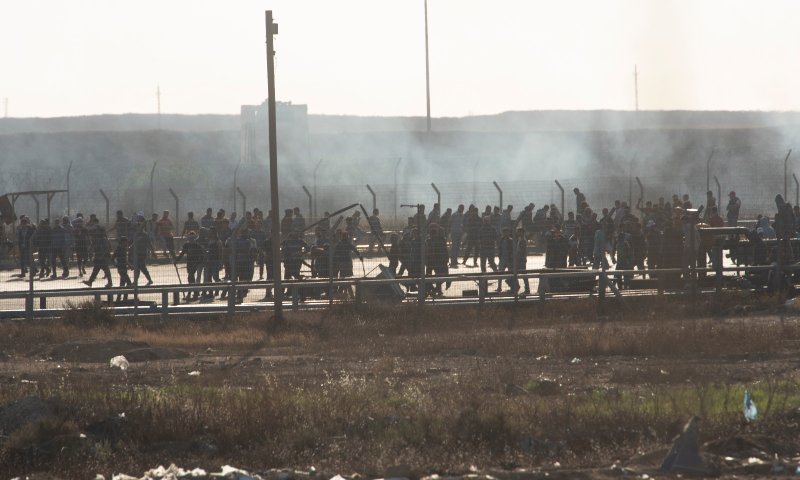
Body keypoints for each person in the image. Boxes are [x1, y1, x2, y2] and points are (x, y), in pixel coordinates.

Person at [333, 229, 363, 298]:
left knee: (344, 278)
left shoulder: (340, 244)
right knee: (346, 278)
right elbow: (355, 250)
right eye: (345, 236)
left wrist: (336, 261)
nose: (345, 237)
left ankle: (343, 293)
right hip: (346, 263)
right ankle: (347, 294)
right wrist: (360, 256)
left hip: (343, 263)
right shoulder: (346, 244)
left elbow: (335, 254)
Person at [176, 231, 204, 299]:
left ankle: (189, 293)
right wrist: (176, 261)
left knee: (190, 277)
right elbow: (182, 253)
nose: (191, 239)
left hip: (195, 263)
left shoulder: (197, 246)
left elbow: (201, 255)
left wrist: (198, 262)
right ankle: (195, 292)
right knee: (191, 278)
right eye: (190, 237)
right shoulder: (186, 245)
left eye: (192, 238)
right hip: (189, 263)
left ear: (194, 238)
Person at [425, 225, 449, 296]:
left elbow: (444, 250)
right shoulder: (429, 241)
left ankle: (435, 289)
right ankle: (432, 289)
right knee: (431, 275)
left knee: (437, 275)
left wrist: (445, 259)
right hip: (432, 261)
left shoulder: (440, 240)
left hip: (437, 260)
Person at [112, 235, 132, 302]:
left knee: (122, 284)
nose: (126, 244)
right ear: (122, 242)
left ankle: (118, 299)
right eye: (125, 242)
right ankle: (125, 298)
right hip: (122, 269)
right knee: (129, 283)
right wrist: (116, 264)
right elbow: (114, 258)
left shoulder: (121, 249)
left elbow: (114, 258)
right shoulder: (120, 250)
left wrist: (129, 265)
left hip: (122, 268)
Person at [496, 227, 515, 293]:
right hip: (503, 259)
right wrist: (500, 256)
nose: (505, 234)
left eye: (506, 232)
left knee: (511, 273)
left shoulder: (511, 240)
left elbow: (513, 250)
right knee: (500, 273)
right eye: (504, 232)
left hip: (509, 259)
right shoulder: (501, 240)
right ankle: (499, 287)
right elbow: (499, 249)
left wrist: (511, 256)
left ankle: (513, 287)